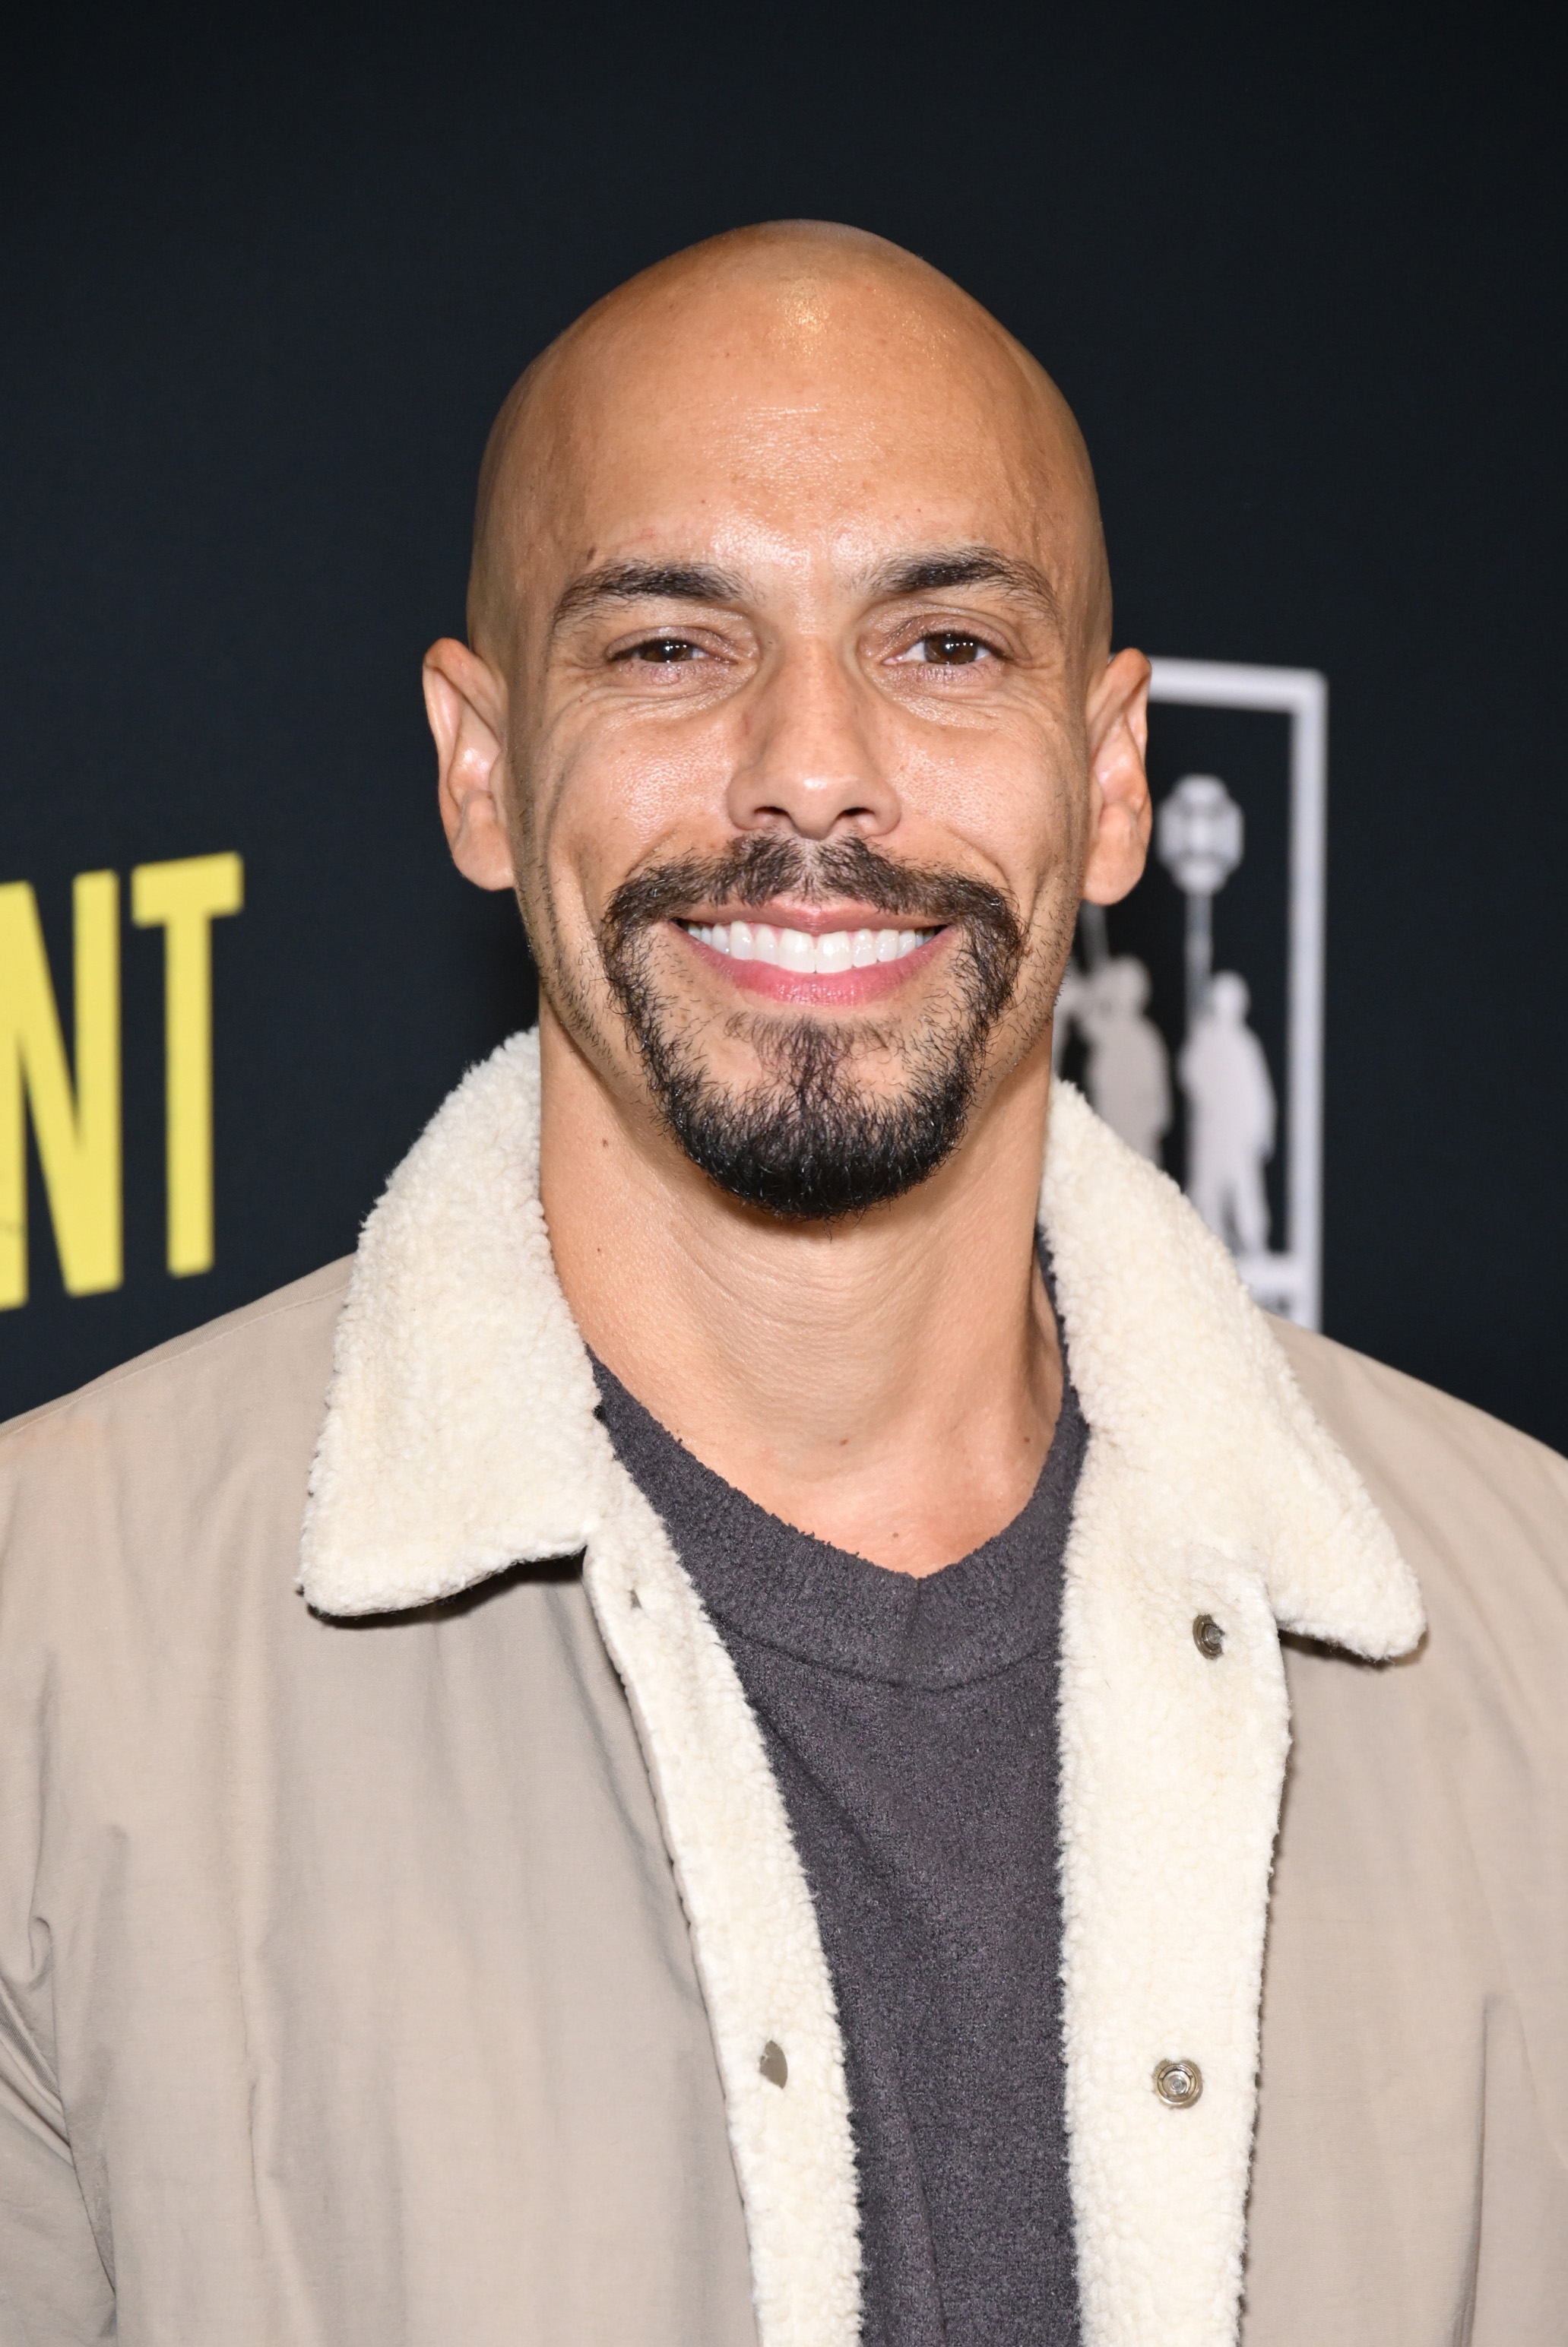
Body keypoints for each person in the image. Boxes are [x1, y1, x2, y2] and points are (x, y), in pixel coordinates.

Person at [1, 224, 1564, 2347]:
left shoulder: (1531, 1641)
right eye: (667, 648)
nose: (809, 772)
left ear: (1108, 780)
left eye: (940, 647)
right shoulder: (46, 1655)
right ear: (480, 767)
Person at [1180, 971, 1275, 1252]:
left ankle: (1253, 1240)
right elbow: (1190, 1072)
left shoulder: (1245, 1044)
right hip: (1215, 1130)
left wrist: (1263, 1129)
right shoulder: (1205, 1039)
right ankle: (1210, 1239)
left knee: (1245, 1189)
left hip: (1238, 1133)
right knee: (1208, 1188)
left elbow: (1259, 1092)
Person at [1079, 953, 1170, 1164]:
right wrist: (1099, 986)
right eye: (1119, 987)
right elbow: (1087, 1017)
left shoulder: (1145, 1036)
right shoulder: (1108, 1028)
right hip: (1111, 1113)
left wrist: (1155, 1114)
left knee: (1140, 1177)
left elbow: (1156, 1084)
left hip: (1137, 1119)